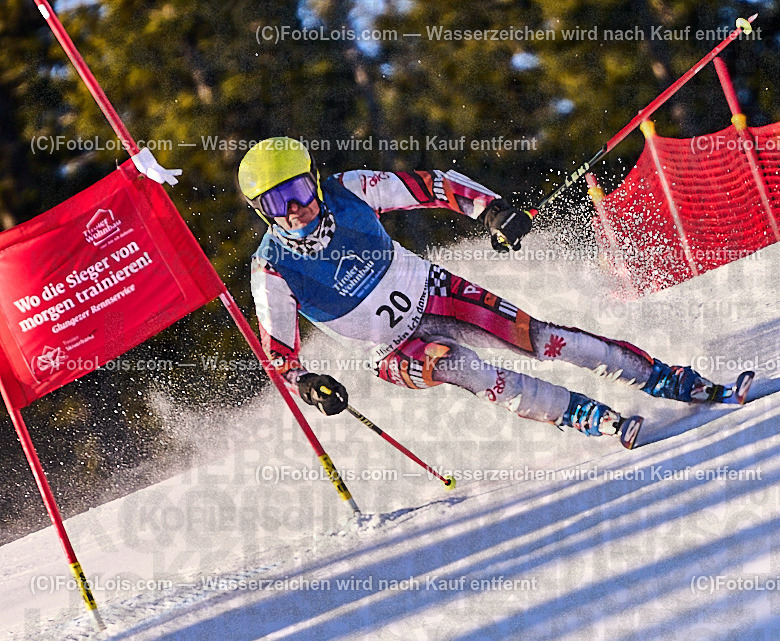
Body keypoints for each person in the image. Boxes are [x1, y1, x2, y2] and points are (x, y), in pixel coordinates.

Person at [238, 137, 737, 447]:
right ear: (262, 211)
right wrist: (307, 384)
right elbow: (279, 356)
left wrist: (492, 211)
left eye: (299, 191)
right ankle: (585, 416)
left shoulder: (350, 189)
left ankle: (668, 380)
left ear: (316, 182)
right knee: (473, 371)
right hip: (392, 350)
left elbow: (431, 184)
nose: (293, 210)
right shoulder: (271, 268)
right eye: (276, 202)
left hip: (433, 292)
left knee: (542, 339)